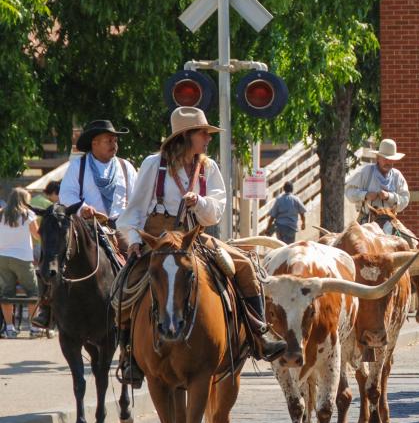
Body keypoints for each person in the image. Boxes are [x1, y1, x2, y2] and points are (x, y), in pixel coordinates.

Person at [117, 107, 285, 387]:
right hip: (158, 241)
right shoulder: (153, 165)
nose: (208, 138)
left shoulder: (208, 167)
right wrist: (134, 242)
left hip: (195, 237)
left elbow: (216, 211)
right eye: (202, 133)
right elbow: (133, 211)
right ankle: (130, 354)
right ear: (185, 136)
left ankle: (259, 333)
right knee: (124, 286)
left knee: (243, 266)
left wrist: (201, 202)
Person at [32, 121, 137, 330]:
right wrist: (83, 209)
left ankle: (138, 308)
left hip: (119, 226)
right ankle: (47, 305)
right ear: (94, 143)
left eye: (115, 140)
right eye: (109, 140)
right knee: (54, 252)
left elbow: (136, 199)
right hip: (84, 226)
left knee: (138, 259)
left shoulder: (127, 167)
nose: (114, 144)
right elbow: (67, 194)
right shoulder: (77, 167)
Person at [0, 188, 41, 339]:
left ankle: (9, 328)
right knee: (33, 292)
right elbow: (37, 236)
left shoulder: (1, 213)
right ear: (25, 200)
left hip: (2, 257)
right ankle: (34, 327)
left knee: (6, 294)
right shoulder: (28, 214)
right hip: (22, 258)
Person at [345, 138, 410, 224]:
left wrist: (389, 196)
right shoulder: (365, 172)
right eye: (384, 159)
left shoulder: (397, 176)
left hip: (390, 221)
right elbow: (349, 191)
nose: (387, 162)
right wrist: (365, 195)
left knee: (407, 237)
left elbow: (405, 199)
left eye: (390, 159)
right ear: (378, 158)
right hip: (367, 221)